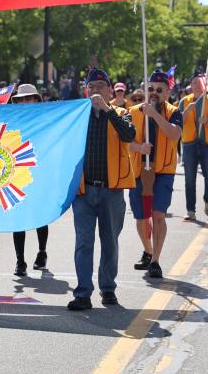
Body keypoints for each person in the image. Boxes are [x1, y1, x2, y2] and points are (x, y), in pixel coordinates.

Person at [67, 69, 136, 311]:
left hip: (111, 191)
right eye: (91, 86)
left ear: (109, 90)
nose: (95, 90)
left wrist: (107, 110)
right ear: (86, 90)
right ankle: (83, 293)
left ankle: (108, 289)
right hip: (84, 192)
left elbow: (129, 135)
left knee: (110, 243)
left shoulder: (122, 113)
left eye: (100, 86)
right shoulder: (77, 116)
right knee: (84, 242)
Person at [127, 69, 183, 279]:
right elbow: (124, 142)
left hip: (163, 172)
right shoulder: (132, 112)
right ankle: (148, 251)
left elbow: (174, 134)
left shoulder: (174, 112)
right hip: (139, 170)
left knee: (158, 216)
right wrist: (139, 148)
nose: (154, 93)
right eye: (151, 88)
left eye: (159, 90)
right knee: (141, 218)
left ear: (167, 92)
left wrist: (155, 115)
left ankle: (156, 261)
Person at [9, 83, 50, 276]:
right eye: (21, 99)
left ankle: (42, 252)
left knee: (41, 216)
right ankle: (20, 260)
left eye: (28, 98)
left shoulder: (45, 119)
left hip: (39, 173)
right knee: (18, 219)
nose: (25, 101)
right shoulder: (11, 120)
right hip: (16, 173)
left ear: (36, 99)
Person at [179, 73, 208, 221]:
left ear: (205, 85)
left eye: (199, 83)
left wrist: (206, 121)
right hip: (189, 145)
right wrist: (187, 111)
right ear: (191, 85)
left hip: (207, 144)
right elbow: (178, 122)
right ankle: (190, 210)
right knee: (189, 178)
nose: (196, 85)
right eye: (194, 83)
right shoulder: (184, 101)